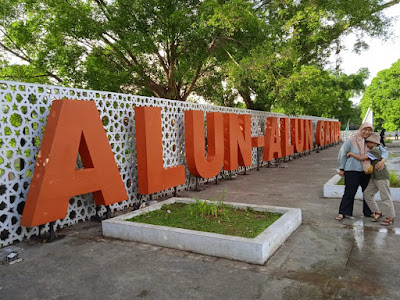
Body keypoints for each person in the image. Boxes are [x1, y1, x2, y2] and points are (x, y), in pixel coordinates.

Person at [335, 122, 388, 221]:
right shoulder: (351, 140)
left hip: (367, 171)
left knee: (367, 193)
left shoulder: (372, 140)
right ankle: (343, 212)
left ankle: (369, 212)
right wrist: (341, 168)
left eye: (369, 130)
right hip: (352, 170)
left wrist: (383, 160)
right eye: (365, 129)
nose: (367, 132)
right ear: (361, 128)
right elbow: (342, 154)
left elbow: (384, 152)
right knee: (349, 192)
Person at [347, 132, 395, 226]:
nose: (367, 144)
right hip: (374, 177)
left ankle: (390, 217)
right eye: (367, 142)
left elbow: (362, 158)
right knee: (367, 194)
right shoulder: (374, 150)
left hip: (381, 177)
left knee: (385, 197)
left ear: (375, 144)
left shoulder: (375, 151)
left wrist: (351, 154)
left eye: (369, 142)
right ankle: (377, 212)